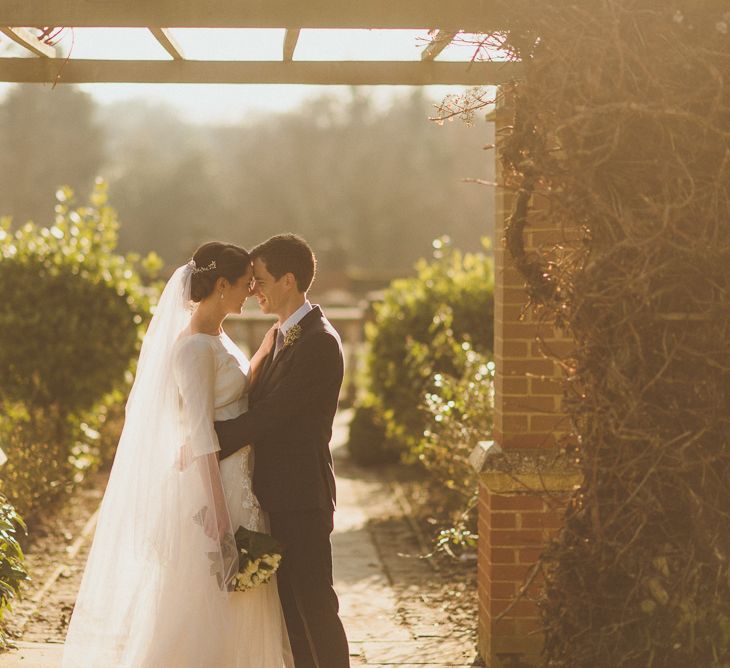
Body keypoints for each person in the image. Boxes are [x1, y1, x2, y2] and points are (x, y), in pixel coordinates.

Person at [62, 242, 293, 667]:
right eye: (245, 284)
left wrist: (267, 347)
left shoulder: (217, 336)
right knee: (205, 606)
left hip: (239, 479)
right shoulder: (191, 348)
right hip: (215, 489)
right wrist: (219, 514)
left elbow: (232, 396)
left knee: (239, 604)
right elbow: (202, 432)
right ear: (221, 284)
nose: (250, 292)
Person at [214, 234, 350, 668]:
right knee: (292, 612)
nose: (254, 289)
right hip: (274, 493)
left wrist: (210, 442)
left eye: (261, 280)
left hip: (302, 496)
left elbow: (273, 413)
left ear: (288, 281)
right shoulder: (279, 334)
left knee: (315, 605)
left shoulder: (319, 342)